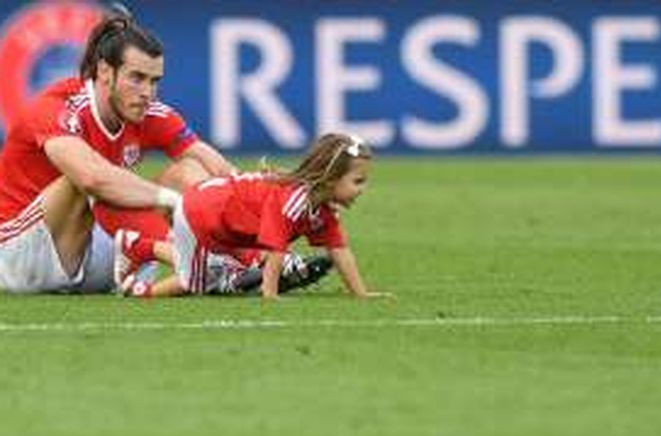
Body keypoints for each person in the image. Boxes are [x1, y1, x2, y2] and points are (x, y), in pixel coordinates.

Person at [0, 7, 235, 293]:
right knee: (85, 181)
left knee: (188, 173)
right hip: (22, 259)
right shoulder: (57, 107)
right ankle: (196, 265)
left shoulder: (150, 112)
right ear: (105, 71)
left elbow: (220, 171)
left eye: (154, 81)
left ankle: (234, 264)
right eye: (136, 78)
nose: (147, 92)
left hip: (88, 249)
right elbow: (92, 179)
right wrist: (172, 201)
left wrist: (259, 198)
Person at [118, 133, 385, 300]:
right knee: (195, 282)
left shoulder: (322, 209)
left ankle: (138, 245)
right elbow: (276, 248)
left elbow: (340, 250)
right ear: (330, 179)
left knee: (217, 270)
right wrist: (270, 294)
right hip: (201, 214)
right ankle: (141, 291)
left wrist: (361, 294)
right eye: (358, 181)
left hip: (223, 221)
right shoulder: (295, 201)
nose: (363, 189)